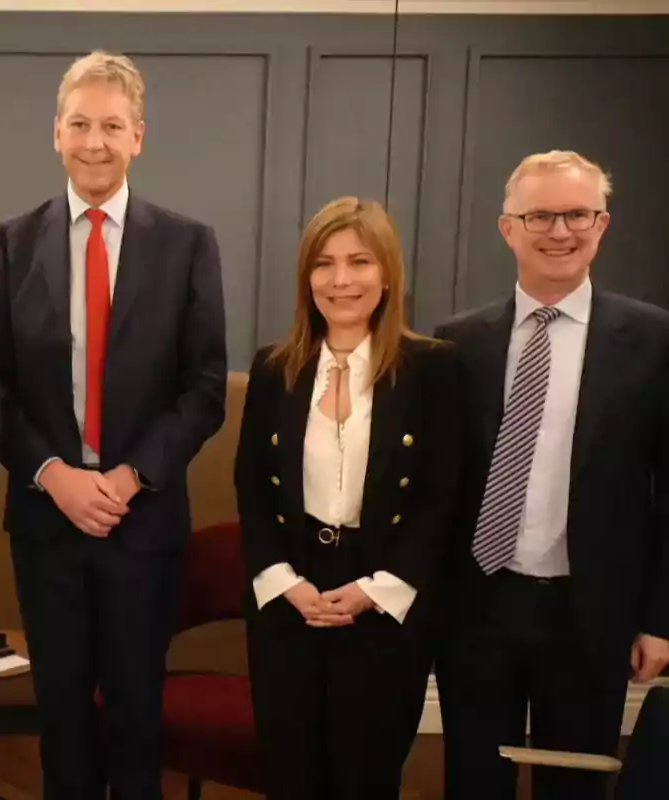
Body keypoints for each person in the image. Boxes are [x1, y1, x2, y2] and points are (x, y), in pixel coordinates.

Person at [0, 50, 227, 799]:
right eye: (81, 124)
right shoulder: (13, 241)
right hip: (46, 524)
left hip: (143, 521)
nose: (95, 141)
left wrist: (126, 477)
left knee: (135, 718)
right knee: (59, 718)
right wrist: (55, 478)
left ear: (139, 137)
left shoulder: (187, 243)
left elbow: (206, 387)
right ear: (56, 132)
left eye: (112, 126)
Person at [435, 150, 669, 800]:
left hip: (590, 610)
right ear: (508, 228)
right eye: (540, 215)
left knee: (575, 784)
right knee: (474, 780)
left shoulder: (654, 340)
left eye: (576, 215)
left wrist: (660, 619)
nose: (559, 231)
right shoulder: (458, 343)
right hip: (478, 603)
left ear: (602, 225)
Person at [235, 197, 460, 799]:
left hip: (381, 598)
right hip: (291, 595)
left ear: (386, 274)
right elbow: (251, 488)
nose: (341, 280)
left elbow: (442, 496)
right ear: (306, 278)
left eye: (359, 262)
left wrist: (374, 590)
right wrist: (284, 583)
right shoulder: (273, 368)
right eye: (324, 264)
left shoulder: (431, 369)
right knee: (291, 774)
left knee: (365, 776)